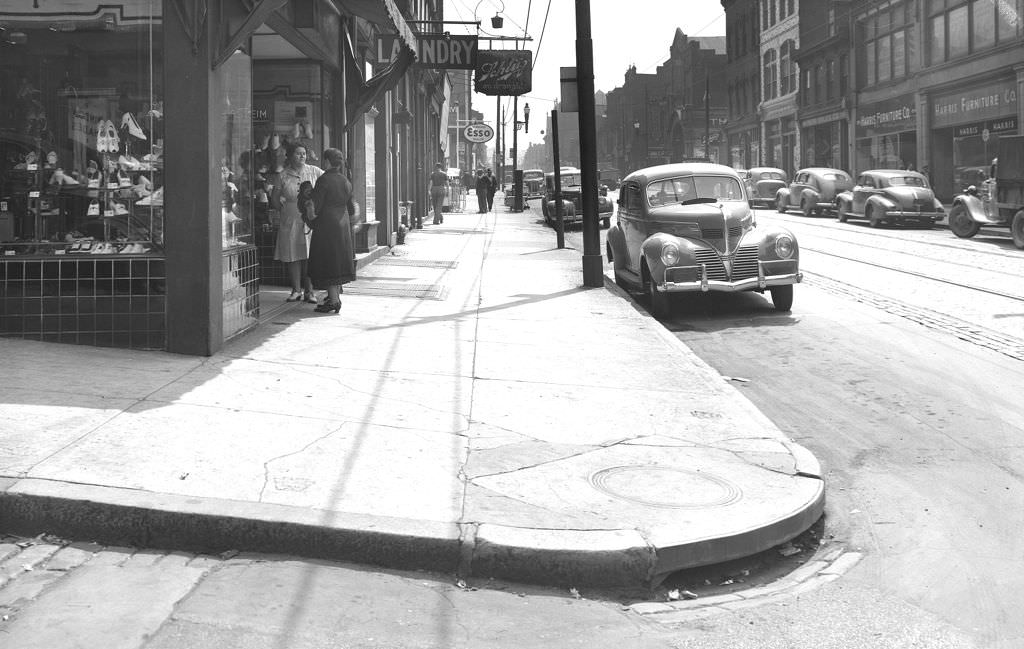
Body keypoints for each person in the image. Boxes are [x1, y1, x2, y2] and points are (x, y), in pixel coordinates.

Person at [272, 142, 323, 303]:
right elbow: (274, 198)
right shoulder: (283, 175)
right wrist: (284, 209)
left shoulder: (314, 172)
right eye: (298, 153)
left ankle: (310, 291)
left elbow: (327, 187)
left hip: (311, 218)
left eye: (304, 153)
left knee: (310, 254)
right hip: (290, 218)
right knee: (292, 255)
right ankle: (296, 290)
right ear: (290, 156)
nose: (302, 156)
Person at [307, 148, 356, 314]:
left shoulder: (324, 180)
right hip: (342, 225)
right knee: (336, 262)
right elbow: (352, 208)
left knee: (328, 262)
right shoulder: (345, 180)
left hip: (326, 226)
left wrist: (308, 212)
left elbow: (314, 208)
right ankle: (334, 298)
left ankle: (334, 301)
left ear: (327, 161)